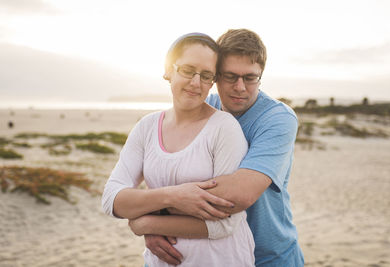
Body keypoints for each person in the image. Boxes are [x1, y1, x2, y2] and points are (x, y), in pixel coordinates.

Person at [140, 29, 305, 266]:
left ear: (260, 76)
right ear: (215, 76)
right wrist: (152, 221)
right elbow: (163, 171)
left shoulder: (277, 118)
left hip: (269, 257)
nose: (240, 87)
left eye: (250, 77)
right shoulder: (205, 107)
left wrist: (149, 219)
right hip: (210, 256)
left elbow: (238, 195)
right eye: (230, 76)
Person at [102, 33, 255, 266]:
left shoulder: (224, 128)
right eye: (187, 70)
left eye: (206, 76)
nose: (196, 83)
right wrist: (172, 196)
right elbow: (112, 199)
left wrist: (145, 223)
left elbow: (225, 222)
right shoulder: (147, 127)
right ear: (168, 69)